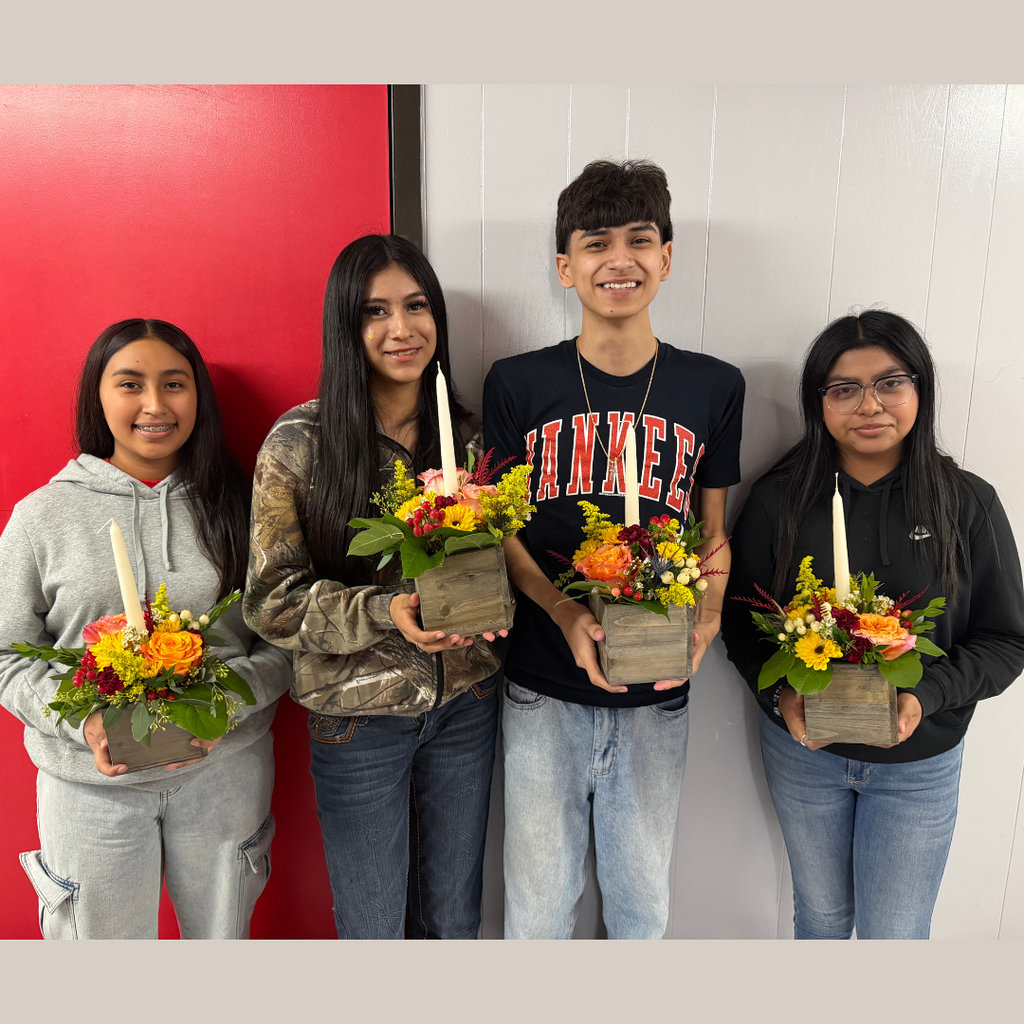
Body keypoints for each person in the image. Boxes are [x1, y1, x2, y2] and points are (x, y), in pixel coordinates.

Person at [483, 159, 745, 939]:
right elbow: (505, 537)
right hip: (540, 686)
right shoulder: (518, 384)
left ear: (668, 257)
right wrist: (564, 613)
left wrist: (708, 617)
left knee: (641, 909)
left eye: (640, 239)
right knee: (537, 909)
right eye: (596, 243)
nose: (619, 259)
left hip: (657, 690)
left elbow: (713, 535)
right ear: (567, 267)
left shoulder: (713, 386)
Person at [720, 310, 1024, 939]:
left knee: (896, 932)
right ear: (818, 402)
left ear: (921, 389)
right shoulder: (779, 500)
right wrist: (780, 698)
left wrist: (927, 694)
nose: (870, 405)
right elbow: (741, 624)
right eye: (844, 388)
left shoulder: (966, 502)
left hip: (921, 761)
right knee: (822, 919)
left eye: (891, 382)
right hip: (805, 756)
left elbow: (1006, 639)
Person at [244, 233, 505, 940]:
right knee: (373, 928)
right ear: (345, 326)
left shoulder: (473, 439)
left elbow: (503, 559)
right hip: (357, 719)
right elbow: (270, 599)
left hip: (466, 703)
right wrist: (386, 611)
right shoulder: (300, 443)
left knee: (453, 919)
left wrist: (497, 605)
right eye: (375, 312)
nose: (401, 329)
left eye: (416, 306)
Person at [0, 318, 291, 939]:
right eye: (130, 384)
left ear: (198, 396)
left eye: (174, 384)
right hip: (90, 791)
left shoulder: (245, 506)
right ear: (97, 396)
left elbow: (282, 641)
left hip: (224, 776)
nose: (155, 405)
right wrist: (83, 719)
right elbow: (6, 656)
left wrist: (223, 705)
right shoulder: (41, 517)